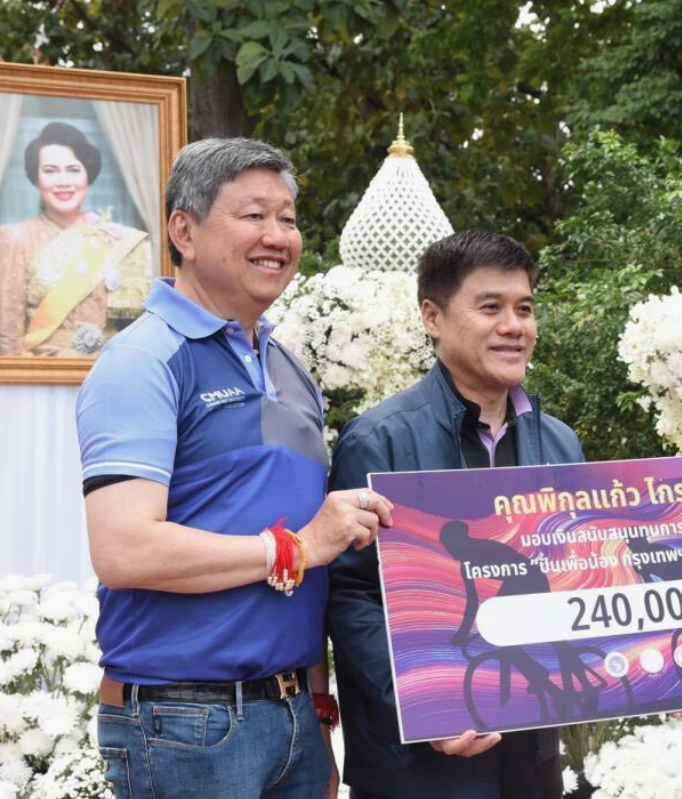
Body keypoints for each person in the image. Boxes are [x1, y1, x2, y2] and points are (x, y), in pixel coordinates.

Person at [327, 230, 682, 799]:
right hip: (421, 765)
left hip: (531, 755)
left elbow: (590, 582)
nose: (514, 326)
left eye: (525, 309)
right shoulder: (379, 440)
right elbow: (351, 596)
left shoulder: (559, 444)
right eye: (491, 308)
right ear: (433, 317)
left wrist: (673, 669)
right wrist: (424, 703)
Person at [76, 137, 392, 799]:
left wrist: (318, 711)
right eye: (253, 215)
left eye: (288, 218)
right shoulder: (142, 360)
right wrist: (295, 547)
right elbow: (124, 549)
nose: (278, 235)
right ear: (184, 232)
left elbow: (311, 568)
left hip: (294, 716)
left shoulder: (291, 368)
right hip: (183, 722)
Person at [0, 121, 151, 356]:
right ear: (36, 177)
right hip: (44, 370)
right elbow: (7, 332)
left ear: (87, 174)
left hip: (110, 367)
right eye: (50, 171)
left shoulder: (116, 238)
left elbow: (138, 325)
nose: (63, 181)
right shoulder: (16, 237)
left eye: (73, 169)